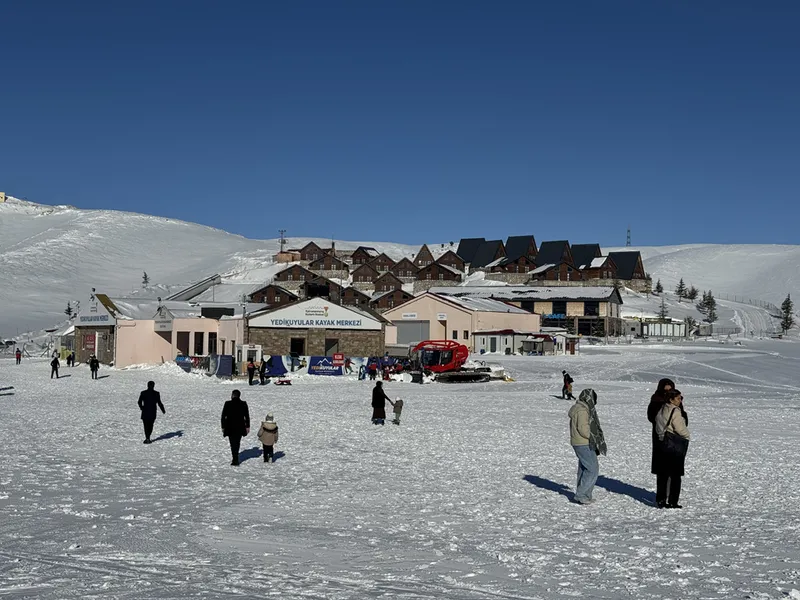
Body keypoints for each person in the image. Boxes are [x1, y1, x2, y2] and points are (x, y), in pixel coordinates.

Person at [568, 388, 607, 505]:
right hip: (583, 443)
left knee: (584, 468)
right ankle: (581, 495)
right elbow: (583, 428)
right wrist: (593, 437)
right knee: (592, 469)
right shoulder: (582, 410)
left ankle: (585, 495)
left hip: (579, 442)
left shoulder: (580, 408)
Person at [655, 389, 690, 508]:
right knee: (675, 475)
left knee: (663, 474)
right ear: (671, 399)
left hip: (663, 443)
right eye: (678, 398)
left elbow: (657, 423)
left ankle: (661, 500)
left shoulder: (662, 408)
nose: (680, 400)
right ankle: (673, 501)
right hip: (674, 445)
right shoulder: (675, 411)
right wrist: (687, 435)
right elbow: (680, 428)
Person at [647, 378, 676, 490]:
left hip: (675, 437)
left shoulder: (676, 400)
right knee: (662, 467)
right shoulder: (656, 399)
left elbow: (683, 418)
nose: (667, 392)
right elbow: (651, 417)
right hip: (660, 436)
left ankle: (671, 494)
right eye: (665, 389)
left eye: (670, 389)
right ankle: (662, 494)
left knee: (673, 468)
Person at [221, 390, 250, 465]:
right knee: (237, 442)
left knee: (232, 443)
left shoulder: (227, 403)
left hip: (229, 427)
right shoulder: (243, 404)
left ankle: (235, 458)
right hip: (240, 427)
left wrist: (223, 427)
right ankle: (235, 458)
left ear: (233, 395)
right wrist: (247, 426)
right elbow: (247, 416)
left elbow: (223, 416)